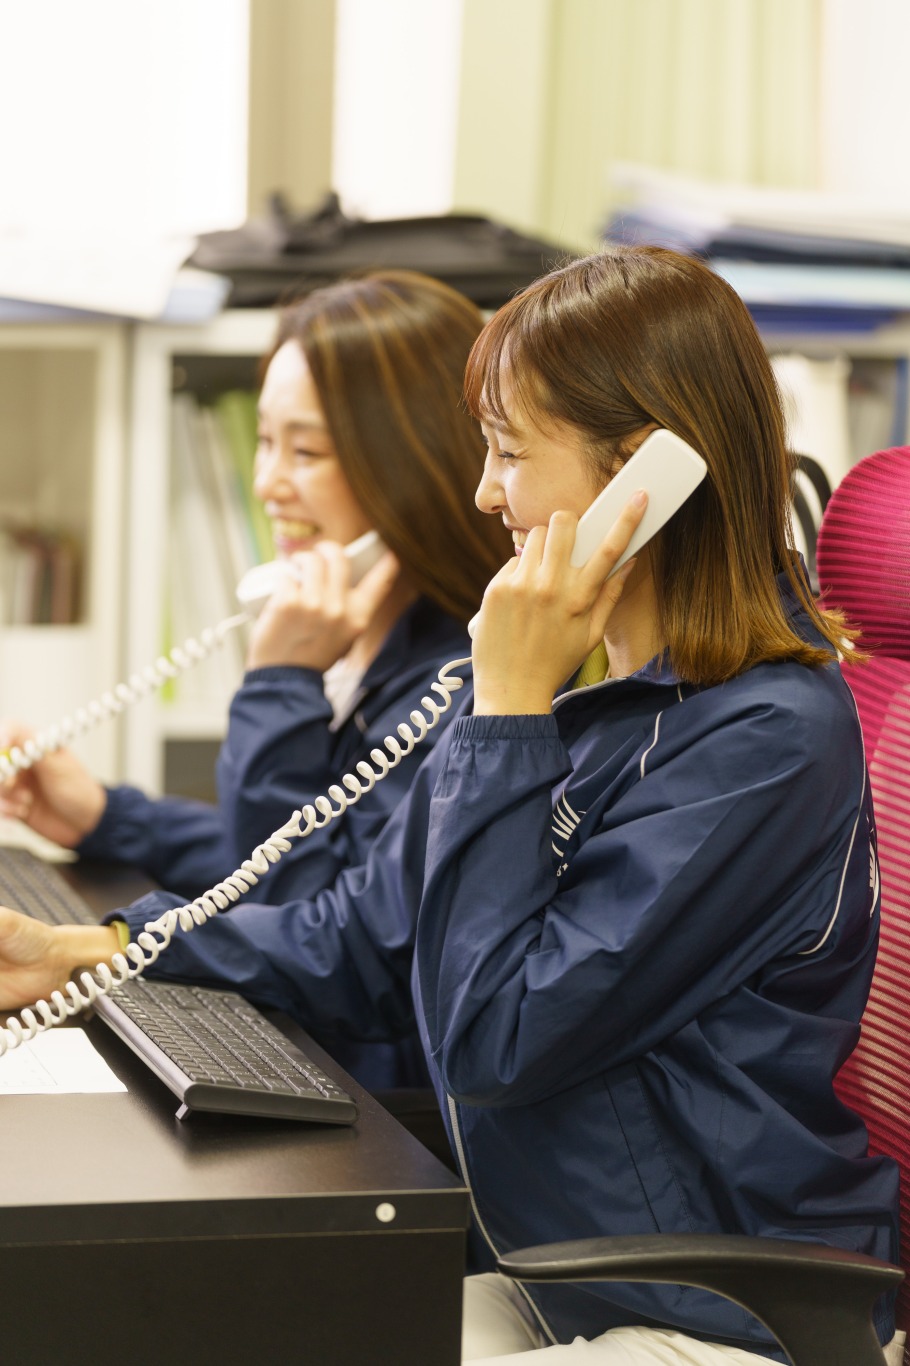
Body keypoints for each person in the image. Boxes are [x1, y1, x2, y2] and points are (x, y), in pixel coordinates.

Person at [0, 246, 901, 1365]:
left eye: (510, 453)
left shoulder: (763, 740)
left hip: (717, 1308)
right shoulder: (592, 684)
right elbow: (371, 933)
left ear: (646, 478)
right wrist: (97, 948)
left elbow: (496, 1038)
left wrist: (507, 708)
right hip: (563, 1267)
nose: (485, 492)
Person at [0, 269, 510, 1090]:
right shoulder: (376, 647)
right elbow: (297, 850)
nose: (268, 483)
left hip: (369, 1096)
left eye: (305, 451)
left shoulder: (467, 682)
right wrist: (110, 818)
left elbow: (312, 907)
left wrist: (279, 682)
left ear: (414, 468)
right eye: (265, 441)